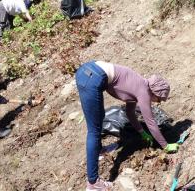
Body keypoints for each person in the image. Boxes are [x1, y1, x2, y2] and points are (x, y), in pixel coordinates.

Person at [75, 60, 177, 191]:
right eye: (159, 100)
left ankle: (99, 149)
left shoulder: (139, 86)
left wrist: (142, 132)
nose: (158, 103)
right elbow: (151, 122)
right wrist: (165, 145)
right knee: (93, 131)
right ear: (156, 93)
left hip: (89, 72)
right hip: (93, 77)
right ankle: (93, 183)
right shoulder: (144, 92)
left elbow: (130, 113)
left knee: (99, 118)